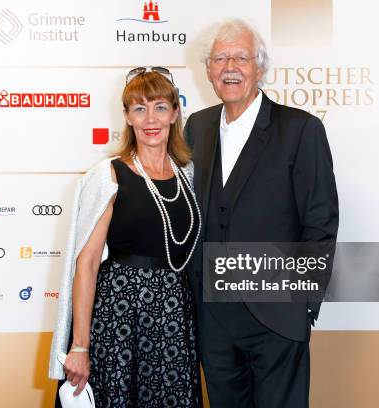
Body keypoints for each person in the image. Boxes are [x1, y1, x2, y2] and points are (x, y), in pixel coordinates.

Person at [184, 20, 339, 407]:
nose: (230, 66)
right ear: (208, 71)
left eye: (241, 57)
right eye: (220, 58)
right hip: (212, 319)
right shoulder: (196, 127)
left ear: (260, 68)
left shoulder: (300, 129)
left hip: (276, 313)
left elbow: (320, 222)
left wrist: (302, 304)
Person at [49, 67, 202, 407]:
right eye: (139, 108)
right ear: (127, 116)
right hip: (118, 316)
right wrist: (79, 346)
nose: (151, 119)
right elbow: (86, 264)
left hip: (173, 316)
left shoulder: (188, 174)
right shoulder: (109, 175)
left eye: (160, 107)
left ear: (176, 113)